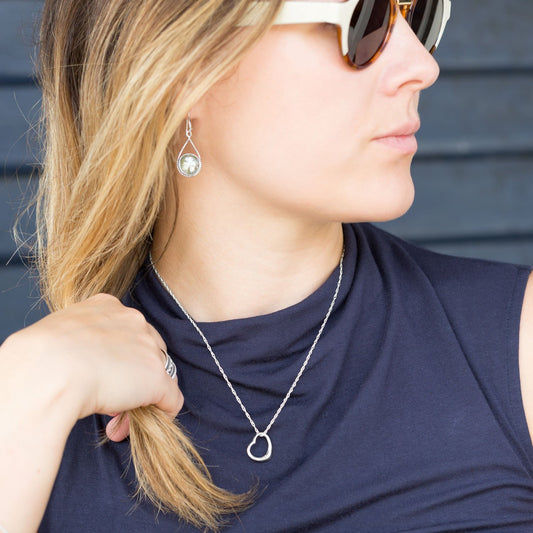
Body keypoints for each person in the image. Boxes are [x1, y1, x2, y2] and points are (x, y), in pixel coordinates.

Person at [1, 0, 533, 531]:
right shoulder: (38, 411)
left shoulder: (514, 347)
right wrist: (29, 385)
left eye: (419, 14)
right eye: (365, 20)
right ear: (186, 72)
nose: (422, 65)